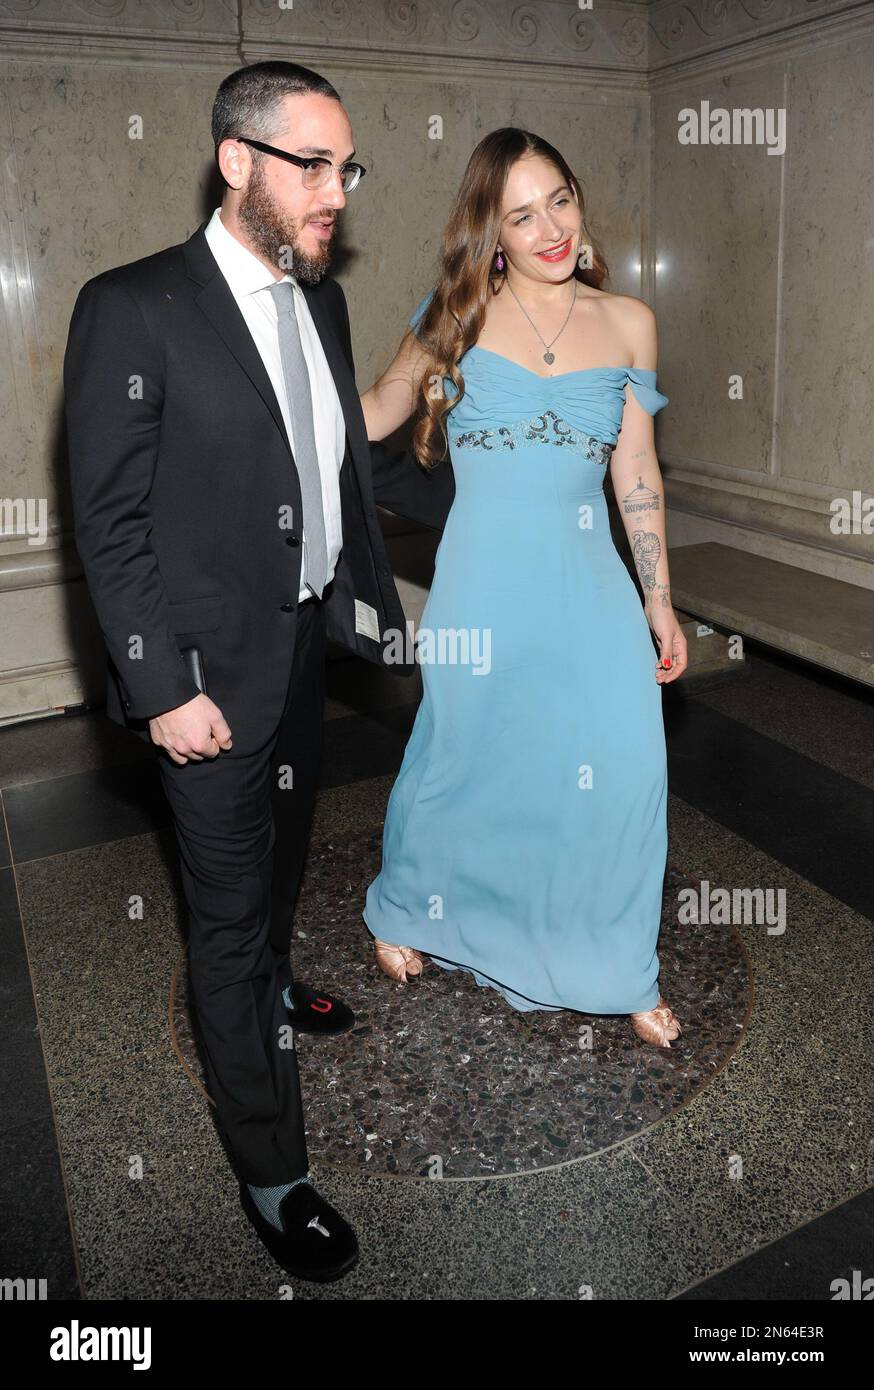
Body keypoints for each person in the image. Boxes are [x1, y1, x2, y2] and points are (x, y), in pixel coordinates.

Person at [63, 60, 452, 1283]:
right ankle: (275, 1172)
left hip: (297, 658)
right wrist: (160, 688)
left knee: (283, 862)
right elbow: (109, 523)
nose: (338, 191)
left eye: (348, 167)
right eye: (314, 166)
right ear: (238, 162)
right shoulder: (132, 308)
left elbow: (336, 468)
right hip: (203, 681)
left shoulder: (320, 304)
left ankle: (281, 983)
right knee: (223, 921)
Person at [361, 128, 688, 1048]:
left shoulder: (629, 323)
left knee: (622, 769)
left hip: (590, 587)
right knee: (467, 759)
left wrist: (659, 598)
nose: (548, 228)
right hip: (484, 586)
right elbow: (381, 409)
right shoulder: (456, 313)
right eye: (521, 213)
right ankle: (407, 909)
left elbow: (638, 471)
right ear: (490, 231)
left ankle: (620, 963)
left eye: (560, 200)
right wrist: (285, 400)